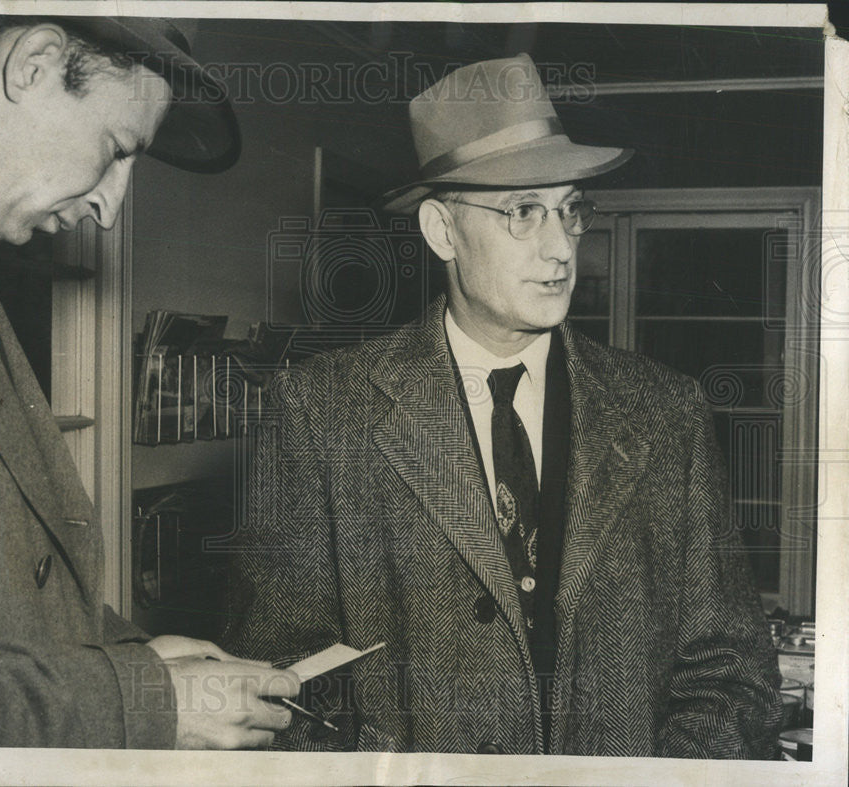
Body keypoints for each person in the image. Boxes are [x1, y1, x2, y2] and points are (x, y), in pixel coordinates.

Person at [223, 55, 782, 756]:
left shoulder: (666, 411)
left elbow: (733, 671)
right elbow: (285, 680)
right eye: (523, 211)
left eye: (571, 210)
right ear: (441, 231)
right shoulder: (322, 410)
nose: (561, 247)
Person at [0, 15, 298, 748]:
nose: (109, 207)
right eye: (116, 148)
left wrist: (133, 659)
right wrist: (144, 702)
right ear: (33, 63)